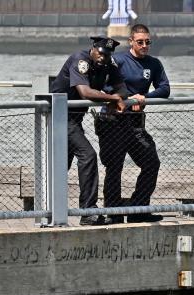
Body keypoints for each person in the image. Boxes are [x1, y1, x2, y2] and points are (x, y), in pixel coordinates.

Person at [96, 23, 170, 223]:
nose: (144, 45)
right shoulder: (118, 60)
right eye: (140, 42)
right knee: (114, 167)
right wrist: (128, 98)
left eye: (147, 42)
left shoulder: (154, 64)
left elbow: (165, 89)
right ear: (131, 42)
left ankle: (138, 209)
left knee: (151, 162)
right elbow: (103, 86)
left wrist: (144, 97)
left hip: (135, 124)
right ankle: (113, 213)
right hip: (113, 121)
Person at [51, 36, 127, 226]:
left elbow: (122, 87)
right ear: (93, 49)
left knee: (62, 165)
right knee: (88, 155)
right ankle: (88, 211)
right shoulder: (81, 60)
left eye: (108, 54)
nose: (104, 57)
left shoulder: (109, 63)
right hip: (60, 116)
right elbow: (85, 92)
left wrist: (117, 96)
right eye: (101, 53)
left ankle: (51, 210)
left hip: (75, 119)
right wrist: (111, 99)